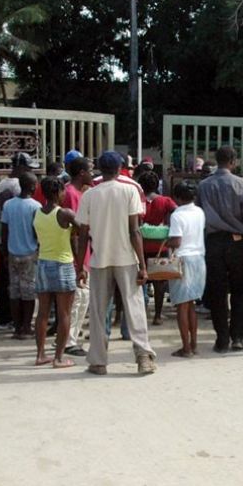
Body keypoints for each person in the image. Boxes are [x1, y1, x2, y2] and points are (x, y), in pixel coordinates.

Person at [77, 151, 157, 375]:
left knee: (98, 312)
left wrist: (79, 267)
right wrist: (142, 265)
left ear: (100, 170)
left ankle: (98, 361)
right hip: (126, 258)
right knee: (135, 308)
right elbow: (135, 231)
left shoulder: (90, 195)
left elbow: (82, 234)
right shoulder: (130, 190)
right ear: (120, 168)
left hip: (99, 258)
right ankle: (143, 357)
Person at [196, 146, 243, 352]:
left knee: (217, 291)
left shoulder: (204, 185)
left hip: (213, 242)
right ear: (233, 161)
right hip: (237, 242)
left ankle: (222, 338)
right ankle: (237, 337)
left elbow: (199, 213)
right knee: (239, 290)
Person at [32, 177, 79, 368]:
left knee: (42, 313)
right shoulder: (65, 213)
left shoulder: (36, 213)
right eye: (62, 192)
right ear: (57, 192)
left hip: (43, 264)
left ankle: (40, 354)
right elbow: (83, 227)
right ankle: (59, 358)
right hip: (63, 264)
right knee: (64, 313)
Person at [0, 153, 39, 331]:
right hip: (26, 249)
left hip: (11, 248)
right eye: (28, 168)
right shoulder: (17, 192)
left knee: (13, 288)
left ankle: (15, 322)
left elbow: (2, 220)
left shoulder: (4, 189)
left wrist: (5, 249)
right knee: (26, 290)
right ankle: (23, 324)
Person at [167, 182, 207, 358]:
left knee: (181, 306)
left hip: (182, 259)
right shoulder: (199, 212)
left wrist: (164, 239)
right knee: (190, 304)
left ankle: (186, 347)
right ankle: (194, 344)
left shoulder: (177, 215)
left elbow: (176, 241)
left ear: (177, 197)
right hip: (198, 258)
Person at [1, 172, 42, 340]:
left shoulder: (8, 205)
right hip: (30, 253)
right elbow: (36, 230)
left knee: (15, 292)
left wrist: (4, 251)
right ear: (33, 186)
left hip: (12, 253)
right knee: (29, 292)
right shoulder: (35, 206)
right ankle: (26, 326)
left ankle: (17, 327)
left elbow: (5, 230)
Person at [63, 157, 93, 357]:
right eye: (90, 169)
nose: (93, 173)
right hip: (77, 257)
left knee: (80, 299)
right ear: (82, 173)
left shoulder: (77, 193)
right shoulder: (71, 195)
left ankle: (69, 337)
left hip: (83, 255)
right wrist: (79, 262)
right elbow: (76, 233)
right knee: (79, 299)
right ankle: (69, 340)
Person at [140, 170, 178, 325]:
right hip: (160, 247)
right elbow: (177, 211)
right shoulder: (165, 201)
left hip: (140, 246)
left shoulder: (138, 200)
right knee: (159, 283)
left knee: (139, 282)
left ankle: (139, 315)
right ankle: (157, 316)